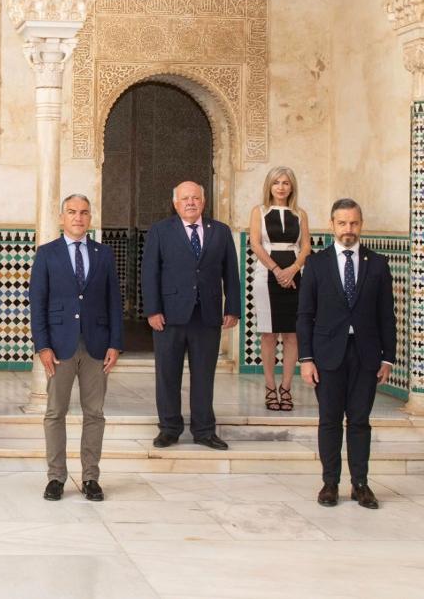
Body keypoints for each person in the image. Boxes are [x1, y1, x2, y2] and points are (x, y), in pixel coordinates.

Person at [297, 199, 395, 509]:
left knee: (360, 420)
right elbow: (305, 315)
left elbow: (387, 315)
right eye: (342, 223)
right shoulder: (316, 263)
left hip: (366, 355)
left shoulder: (377, 263)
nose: (348, 229)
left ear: (361, 224)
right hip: (327, 355)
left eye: (353, 223)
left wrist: (388, 357)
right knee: (329, 420)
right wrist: (306, 358)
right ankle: (330, 483)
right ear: (332, 225)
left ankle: (360, 484)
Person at [29, 193, 122, 501]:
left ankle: (91, 478)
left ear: (90, 218)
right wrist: (43, 345)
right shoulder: (47, 253)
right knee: (55, 412)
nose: (78, 217)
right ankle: (56, 477)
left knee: (94, 413)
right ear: (61, 217)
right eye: (72, 212)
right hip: (59, 346)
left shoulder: (103, 254)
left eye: (83, 212)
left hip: (97, 345)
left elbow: (114, 301)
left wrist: (115, 343)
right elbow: (37, 303)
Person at [141, 181, 240, 450]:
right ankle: (169, 429)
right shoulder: (160, 231)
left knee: (204, 376)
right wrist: (152, 310)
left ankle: (204, 431)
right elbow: (150, 272)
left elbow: (231, 272)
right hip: (169, 315)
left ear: (203, 202)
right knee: (167, 374)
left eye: (195, 198)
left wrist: (233, 308)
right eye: (185, 198)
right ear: (175, 203)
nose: (190, 202)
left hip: (207, 315)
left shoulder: (220, 231)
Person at [248, 166, 311, 411]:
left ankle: (286, 388)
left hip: (295, 276)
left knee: (292, 334)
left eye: (286, 182)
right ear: (269, 186)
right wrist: (277, 270)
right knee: (268, 334)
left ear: (292, 186)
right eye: (276, 182)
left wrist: (292, 270)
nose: (281, 187)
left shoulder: (300, 214)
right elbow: (255, 244)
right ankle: (269, 387)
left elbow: (306, 247)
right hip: (266, 275)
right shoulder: (259, 211)